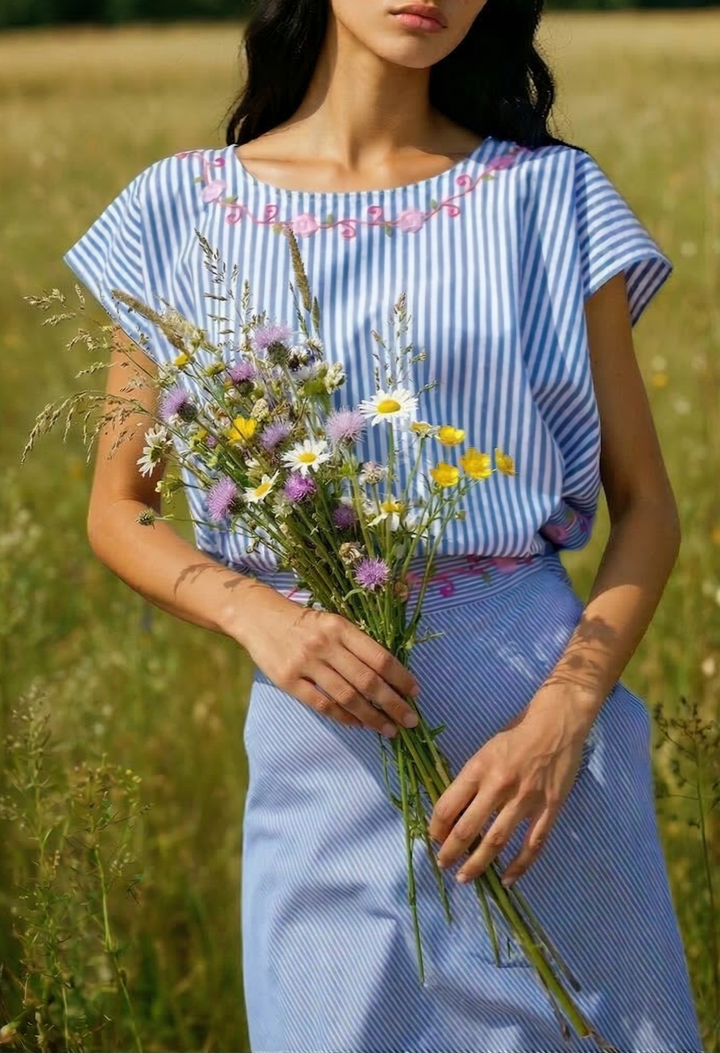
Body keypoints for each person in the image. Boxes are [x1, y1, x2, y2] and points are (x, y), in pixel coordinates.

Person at [61, 0, 704, 1050]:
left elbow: (648, 509)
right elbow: (117, 509)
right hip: (326, 751)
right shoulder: (177, 209)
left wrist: (561, 719)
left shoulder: (551, 197)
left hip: (543, 769)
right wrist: (262, 619)